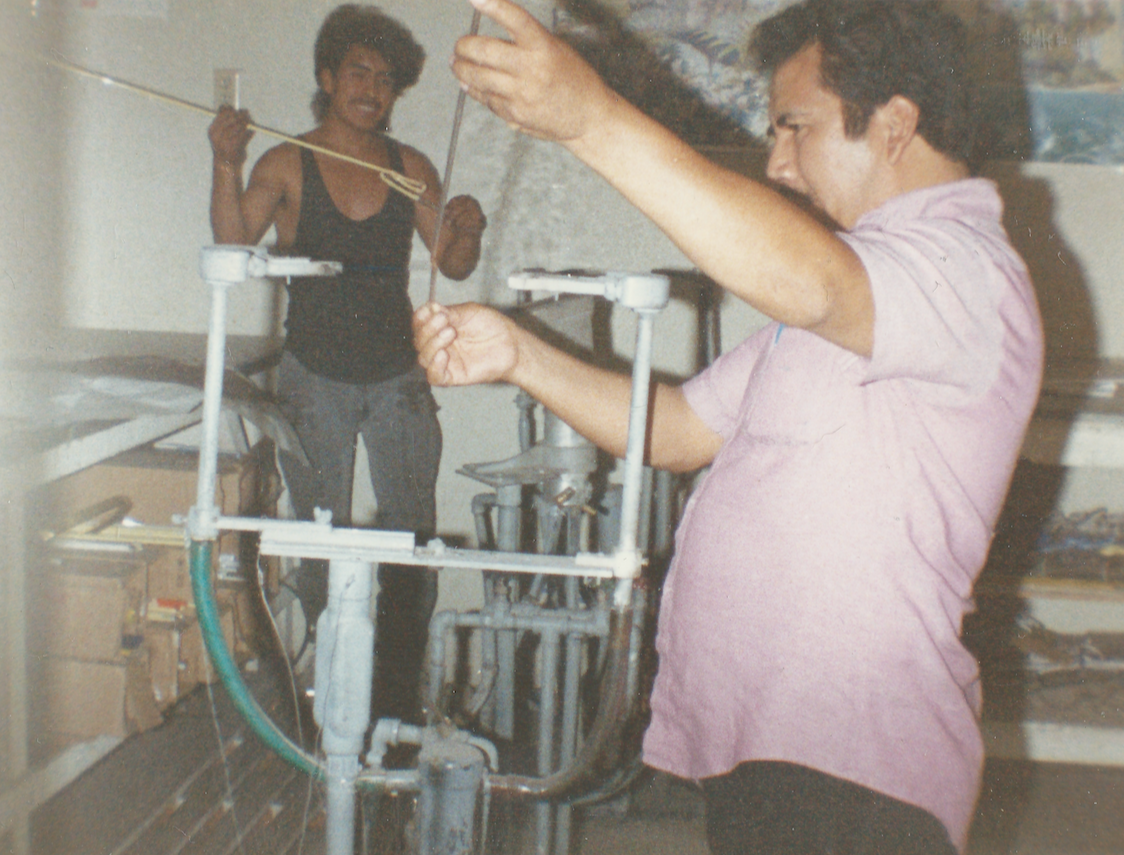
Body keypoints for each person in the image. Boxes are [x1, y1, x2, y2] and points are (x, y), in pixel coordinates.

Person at [412, 0, 1044, 851]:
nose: (778, 163)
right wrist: (519, 354)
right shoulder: (863, 294)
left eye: (795, 127)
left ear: (894, 124)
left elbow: (813, 282)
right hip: (770, 741)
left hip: (858, 757)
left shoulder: (966, 273)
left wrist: (590, 119)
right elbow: (676, 429)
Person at [208, 3, 487, 725]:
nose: (372, 87)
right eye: (358, 71)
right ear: (327, 78)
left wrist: (469, 224)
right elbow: (234, 246)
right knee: (317, 542)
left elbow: (452, 265)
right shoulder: (284, 161)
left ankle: (395, 703)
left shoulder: (410, 169)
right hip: (313, 377)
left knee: (412, 539)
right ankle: (330, 702)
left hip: (397, 379)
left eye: (386, 79)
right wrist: (225, 159)